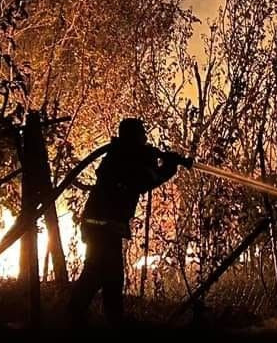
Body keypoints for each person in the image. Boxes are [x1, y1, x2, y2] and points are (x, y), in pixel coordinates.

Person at [68, 118, 190, 325]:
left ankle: (103, 320)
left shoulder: (122, 155)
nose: (145, 139)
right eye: (142, 135)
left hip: (102, 226)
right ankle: (76, 318)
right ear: (134, 137)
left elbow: (143, 176)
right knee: (101, 274)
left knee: (109, 277)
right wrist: (169, 166)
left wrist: (162, 163)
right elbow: (146, 180)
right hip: (103, 227)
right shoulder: (124, 158)